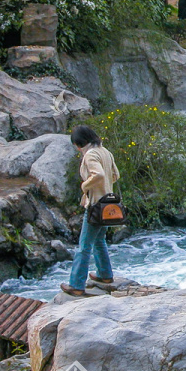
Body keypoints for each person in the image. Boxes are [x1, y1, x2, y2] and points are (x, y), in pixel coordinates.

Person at [61, 126, 120, 297]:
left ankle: (76, 285)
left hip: (96, 204)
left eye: (76, 145)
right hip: (108, 205)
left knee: (84, 246)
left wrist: (85, 185)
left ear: (80, 143)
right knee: (99, 240)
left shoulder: (91, 155)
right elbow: (115, 175)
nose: (77, 149)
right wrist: (105, 187)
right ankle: (105, 275)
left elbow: (99, 174)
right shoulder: (105, 151)